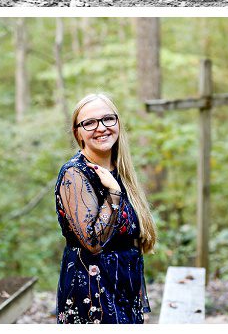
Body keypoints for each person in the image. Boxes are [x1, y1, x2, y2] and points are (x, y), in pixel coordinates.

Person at [55, 93, 155, 324]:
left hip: (124, 289)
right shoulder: (75, 174)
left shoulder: (121, 171)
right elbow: (93, 242)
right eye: (89, 123)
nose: (101, 128)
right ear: (77, 132)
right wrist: (113, 194)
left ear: (118, 123)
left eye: (107, 119)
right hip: (93, 293)